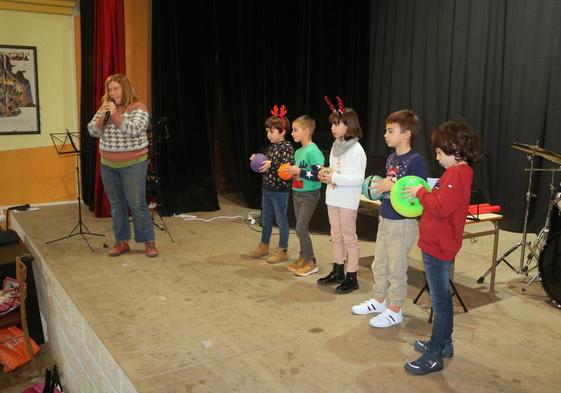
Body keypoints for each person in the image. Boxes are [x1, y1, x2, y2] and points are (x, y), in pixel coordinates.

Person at [402, 119, 480, 375]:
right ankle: (444, 344)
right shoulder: (457, 172)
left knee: (440, 302)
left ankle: (434, 353)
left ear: (455, 148)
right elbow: (441, 199)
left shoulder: (457, 173)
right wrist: (428, 193)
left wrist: (419, 193)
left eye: (439, 152)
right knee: (442, 298)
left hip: (438, 246)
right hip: (438, 244)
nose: (436, 157)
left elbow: (440, 206)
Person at [352, 109, 426, 327]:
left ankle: (395, 309)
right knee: (380, 263)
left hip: (402, 223)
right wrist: (379, 188)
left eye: (390, 130)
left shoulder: (415, 160)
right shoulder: (391, 158)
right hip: (385, 216)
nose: (385, 134)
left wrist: (392, 186)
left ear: (406, 134)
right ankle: (379, 300)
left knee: (396, 267)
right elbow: (389, 188)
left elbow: (418, 193)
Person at [87, 74, 158, 257]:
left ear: (124, 89)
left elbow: (133, 130)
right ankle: (122, 242)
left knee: (137, 205)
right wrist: (104, 115)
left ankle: (149, 242)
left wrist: (115, 114)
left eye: (116, 88)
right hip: (108, 164)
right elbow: (93, 131)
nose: (112, 93)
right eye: (110, 89)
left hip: (133, 164)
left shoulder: (137, 108)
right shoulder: (105, 107)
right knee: (117, 205)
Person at [317, 97, 366, 293]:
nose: (333, 128)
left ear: (349, 124)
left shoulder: (357, 150)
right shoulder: (336, 146)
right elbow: (333, 169)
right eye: (332, 124)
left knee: (348, 237)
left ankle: (352, 275)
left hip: (347, 200)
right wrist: (325, 173)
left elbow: (357, 179)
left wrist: (334, 177)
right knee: (335, 235)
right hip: (333, 197)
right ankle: (338, 269)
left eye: (337, 124)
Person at [249, 105, 294, 263]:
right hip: (267, 189)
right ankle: (264, 245)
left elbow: (287, 166)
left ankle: (282, 250)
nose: (268, 135)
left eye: (271, 131)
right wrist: (257, 159)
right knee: (266, 219)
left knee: (281, 220)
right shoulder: (272, 147)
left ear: (282, 131)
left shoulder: (287, 147)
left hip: (280, 191)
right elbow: (266, 162)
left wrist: (272, 164)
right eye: (267, 131)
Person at [284, 115, 325, 276]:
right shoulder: (299, 151)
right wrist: (292, 173)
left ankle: (311, 262)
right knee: (300, 228)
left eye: (295, 130)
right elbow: (299, 173)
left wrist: (298, 171)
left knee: (301, 227)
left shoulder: (313, 151)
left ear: (307, 131)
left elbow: (317, 174)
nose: (292, 133)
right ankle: (304, 257)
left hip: (309, 194)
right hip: (297, 193)